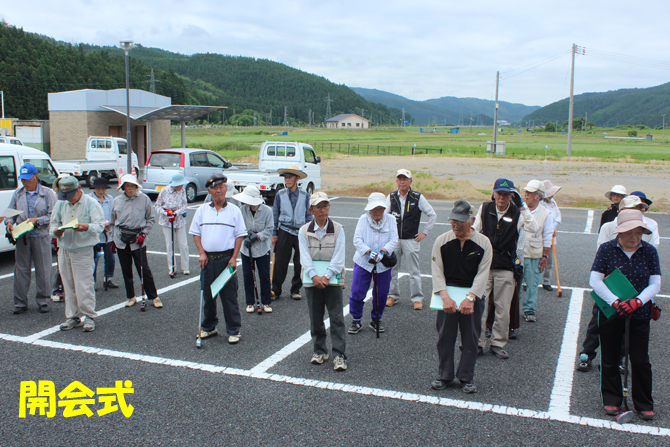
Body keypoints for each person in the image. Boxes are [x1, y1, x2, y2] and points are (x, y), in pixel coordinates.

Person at [589, 209, 660, 421]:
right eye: (629, 232)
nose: (634, 237)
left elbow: (655, 283)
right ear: (619, 233)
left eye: (638, 232)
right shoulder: (606, 249)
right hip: (612, 313)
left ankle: (644, 402)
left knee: (640, 360)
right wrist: (616, 302)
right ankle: (612, 399)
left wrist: (637, 301)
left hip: (640, 314)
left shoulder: (649, 251)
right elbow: (595, 280)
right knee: (610, 357)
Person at [576, 194, 659, 373]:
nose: (638, 212)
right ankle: (588, 353)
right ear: (621, 211)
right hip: (611, 283)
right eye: (632, 209)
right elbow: (602, 250)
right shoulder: (609, 227)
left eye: (639, 209)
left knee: (628, 327)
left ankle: (621, 358)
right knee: (598, 322)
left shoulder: (649, 226)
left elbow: (651, 250)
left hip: (637, 286)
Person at [430, 200, 492, 394]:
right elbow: (437, 271)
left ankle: (466, 377)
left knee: (471, 338)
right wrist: (445, 297)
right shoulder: (442, 241)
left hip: (472, 296)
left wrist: (471, 297)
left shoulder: (483, 243)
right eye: (453, 220)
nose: (456, 224)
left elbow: (483, 274)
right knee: (445, 337)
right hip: (447, 296)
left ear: (472, 220)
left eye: (461, 221)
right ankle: (444, 375)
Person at [473, 178, 538, 359]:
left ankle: (498, 343)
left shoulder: (518, 213)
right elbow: (475, 230)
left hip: (506, 267)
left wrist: (523, 207)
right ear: (493, 193)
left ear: (512, 195)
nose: (501, 197)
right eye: (499, 193)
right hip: (484, 265)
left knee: (503, 308)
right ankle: (477, 343)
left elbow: (535, 229)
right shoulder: (485, 208)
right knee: (479, 306)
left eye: (506, 194)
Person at [190, 173, 246, 344]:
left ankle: (233, 330)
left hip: (226, 259)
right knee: (208, 295)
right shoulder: (202, 210)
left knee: (229, 296)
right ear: (209, 190)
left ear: (226, 189)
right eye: (214, 188)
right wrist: (201, 252)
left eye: (221, 187)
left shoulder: (234, 210)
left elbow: (239, 236)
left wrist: (234, 257)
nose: (218, 190)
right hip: (208, 260)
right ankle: (209, 327)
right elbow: (196, 233)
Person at [298, 192, 347, 370]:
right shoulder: (303, 230)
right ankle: (319, 351)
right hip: (312, 280)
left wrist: (326, 276)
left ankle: (339, 355)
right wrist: (314, 276)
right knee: (315, 318)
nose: (323, 210)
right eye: (318, 207)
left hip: (331, 280)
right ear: (311, 210)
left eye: (325, 206)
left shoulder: (339, 229)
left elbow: (339, 257)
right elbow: (304, 257)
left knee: (336, 318)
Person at [49, 175, 104, 331]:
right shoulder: (61, 203)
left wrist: (87, 227)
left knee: (84, 284)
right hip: (64, 248)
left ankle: (89, 316)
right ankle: (72, 316)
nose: (67, 199)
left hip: (83, 249)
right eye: (64, 195)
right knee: (68, 284)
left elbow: (100, 225)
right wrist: (56, 232)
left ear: (79, 189)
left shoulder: (91, 203)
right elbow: (53, 224)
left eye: (69, 195)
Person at [6, 163, 57, 314]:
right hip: (23, 237)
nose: (25, 182)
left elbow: (52, 216)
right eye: (22, 179)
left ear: (36, 178)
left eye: (27, 179)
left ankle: (43, 301)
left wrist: (37, 220)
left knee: (43, 269)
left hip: (41, 235)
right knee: (21, 270)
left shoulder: (47, 193)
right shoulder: (18, 193)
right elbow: (10, 212)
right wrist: (9, 222)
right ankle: (20, 303)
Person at [386, 169, 436, 310]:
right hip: (394, 240)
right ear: (396, 181)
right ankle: (392, 296)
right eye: (400, 179)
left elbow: (432, 215)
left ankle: (417, 298)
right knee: (392, 269)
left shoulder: (417, 197)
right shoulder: (390, 197)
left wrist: (424, 233)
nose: (402, 181)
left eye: (405, 179)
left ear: (410, 181)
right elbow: (384, 217)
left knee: (414, 271)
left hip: (411, 240)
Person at [349, 192, 398, 334]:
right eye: (374, 208)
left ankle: (376, 319)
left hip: (383, 264)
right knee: (357, 292)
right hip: (363, 261)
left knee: (381, 293)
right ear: (369, 209)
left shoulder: (391, 219)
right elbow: (357, 240)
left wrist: (382, 251)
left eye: (380, 208)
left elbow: (394, 239)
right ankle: (356, 320)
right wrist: (369, 251)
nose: (377, 211)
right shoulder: (363, 219)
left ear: (384, 208)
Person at [110, 174, 161, 308]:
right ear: (123, 187)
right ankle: (131, 296)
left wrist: (144, 233)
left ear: (137, 186)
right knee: (126, 269)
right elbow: (112, 222)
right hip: (121, 238)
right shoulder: (116, 200)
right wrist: (112, 240)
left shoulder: (144, 199)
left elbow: (151, 219)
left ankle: (154, 296)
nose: (130, 188)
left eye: (133, 186)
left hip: (138, 238)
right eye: (127, 186)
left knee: (144, 269)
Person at [271, 165, 312, 300]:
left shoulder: (305, 195)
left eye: (289, 177)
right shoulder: (280, 194)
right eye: (285, 177)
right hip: (284, 231)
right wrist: (274, 234)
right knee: (280, 263)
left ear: (297, 178)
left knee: (300, 263)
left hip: (300, 232)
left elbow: (308, 216)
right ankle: (276, 290)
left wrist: (308, 233)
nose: (286, 180)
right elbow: (275, 215)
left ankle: (296, 289)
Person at [233, 185, 274, 313]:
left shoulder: (267, 211)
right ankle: (250, 302)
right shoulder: (241, 210)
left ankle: (266, 302)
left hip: (263, 248)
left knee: (264, 276)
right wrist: (246, 235)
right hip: (246, 248)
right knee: (248, 276)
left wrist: (257, 236)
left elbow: (269, 229)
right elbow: (238, 227)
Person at [520, 180, 554, 323]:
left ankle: (529, 310)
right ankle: (511, 309)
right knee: (513, 284)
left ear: (538, 196)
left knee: (533, 284)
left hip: (534, 254)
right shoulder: (519, 209)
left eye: (530, 193)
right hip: (518, 253)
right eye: (526, 192)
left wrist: (545, 256)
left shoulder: (546, 213)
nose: (526, 195)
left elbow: (547, 236)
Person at [154, 173, 190, 276]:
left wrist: (176, 213)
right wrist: (166, 213)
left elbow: (184, 205)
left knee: (183, 244)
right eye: (179, 185)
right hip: (166, 220)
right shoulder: (165, 191)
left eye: (182, 184)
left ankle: (185, 267)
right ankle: (172, 268)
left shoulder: (182, 191)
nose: (181, 186)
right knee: (170, 245)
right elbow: (157, 206)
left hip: (179, 220)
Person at [88, 177, 118, 290]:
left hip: (108, 232)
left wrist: (110, 225)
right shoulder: (89, 199)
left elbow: (114, 214)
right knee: (94, 259)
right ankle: (92, 281)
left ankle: (108, 279)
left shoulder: (110, 199)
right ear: (94, 188)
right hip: (94, 233)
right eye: (98, 188)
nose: (101, 191)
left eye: (103, 188)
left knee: (110, 258)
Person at [541, 180, 561, 291]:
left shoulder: (553, 202)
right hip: (540, 236)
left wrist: (553, 226)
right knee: (537, 258)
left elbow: (558, 217)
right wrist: (548, 228)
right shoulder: (539, 203)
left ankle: (546, 280)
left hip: (551, 236)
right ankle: (527, 281)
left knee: (549, 260)